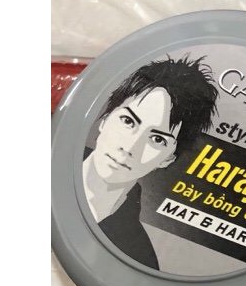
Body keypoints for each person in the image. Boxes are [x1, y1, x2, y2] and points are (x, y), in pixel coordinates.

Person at [82, 56, 219, 269]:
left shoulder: (137, 259)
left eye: (157, 139)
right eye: (128, 121)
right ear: (105, 118)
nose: (130, 147)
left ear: (168, 158)